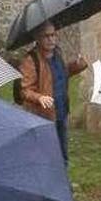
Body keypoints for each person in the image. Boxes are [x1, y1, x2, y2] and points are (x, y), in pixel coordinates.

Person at [17, 21, 87, 162]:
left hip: (61, 112)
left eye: (53, 35)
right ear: (37, 38)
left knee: (62, 154)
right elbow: (24, 90)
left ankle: (62, 182)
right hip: (43, 116)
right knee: (45, 156)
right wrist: (39, 97)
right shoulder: (31, 60)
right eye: (46, 36)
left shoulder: (57, 54)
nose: (51, 39)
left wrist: (78, 65)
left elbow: (62, 74)